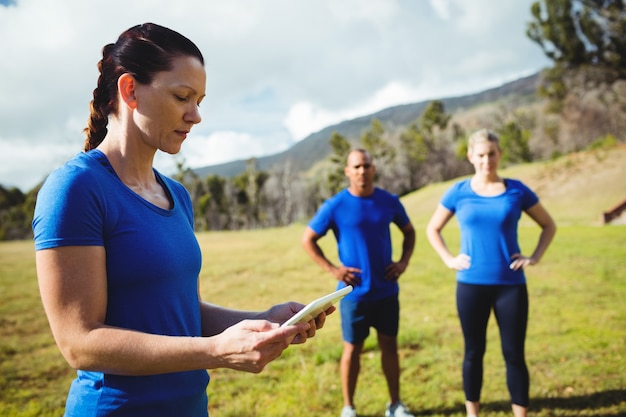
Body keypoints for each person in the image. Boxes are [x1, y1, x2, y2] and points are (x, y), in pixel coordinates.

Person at [32, 23, 332, 417]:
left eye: (200, 100)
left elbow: (181, 312)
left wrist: (263, 319)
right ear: (130, 90)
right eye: (182, 97)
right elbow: (80, 343)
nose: (195, 116)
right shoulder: (76, 189)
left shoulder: (177, 195)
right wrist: (217, 351)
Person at [425, 129, 556, 417]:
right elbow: (432, 228)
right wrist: (449, 259)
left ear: (500, 154)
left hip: (511, 286)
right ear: (471, 156)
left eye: (492, 154)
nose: (487, 160)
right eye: (481, 155)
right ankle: (473, 414)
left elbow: (549, 225)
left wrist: (534, 257)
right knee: (474, 353)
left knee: (514, 355)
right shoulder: (458, 192)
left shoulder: (517, 190)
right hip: (470, 286)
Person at [301, 149, 416, 417]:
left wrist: (403, 262)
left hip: (386, 291)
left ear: (373, 168)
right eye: (357, 166)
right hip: (353, 295)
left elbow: (409, 231)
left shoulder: (388, 201)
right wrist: (333, 270)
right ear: (348, 171)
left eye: (366, 165)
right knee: (352, 349)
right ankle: (349, 408)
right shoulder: (335, 206)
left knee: (390, 346)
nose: (362, 171)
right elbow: (308, 239)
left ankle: (395, 405)